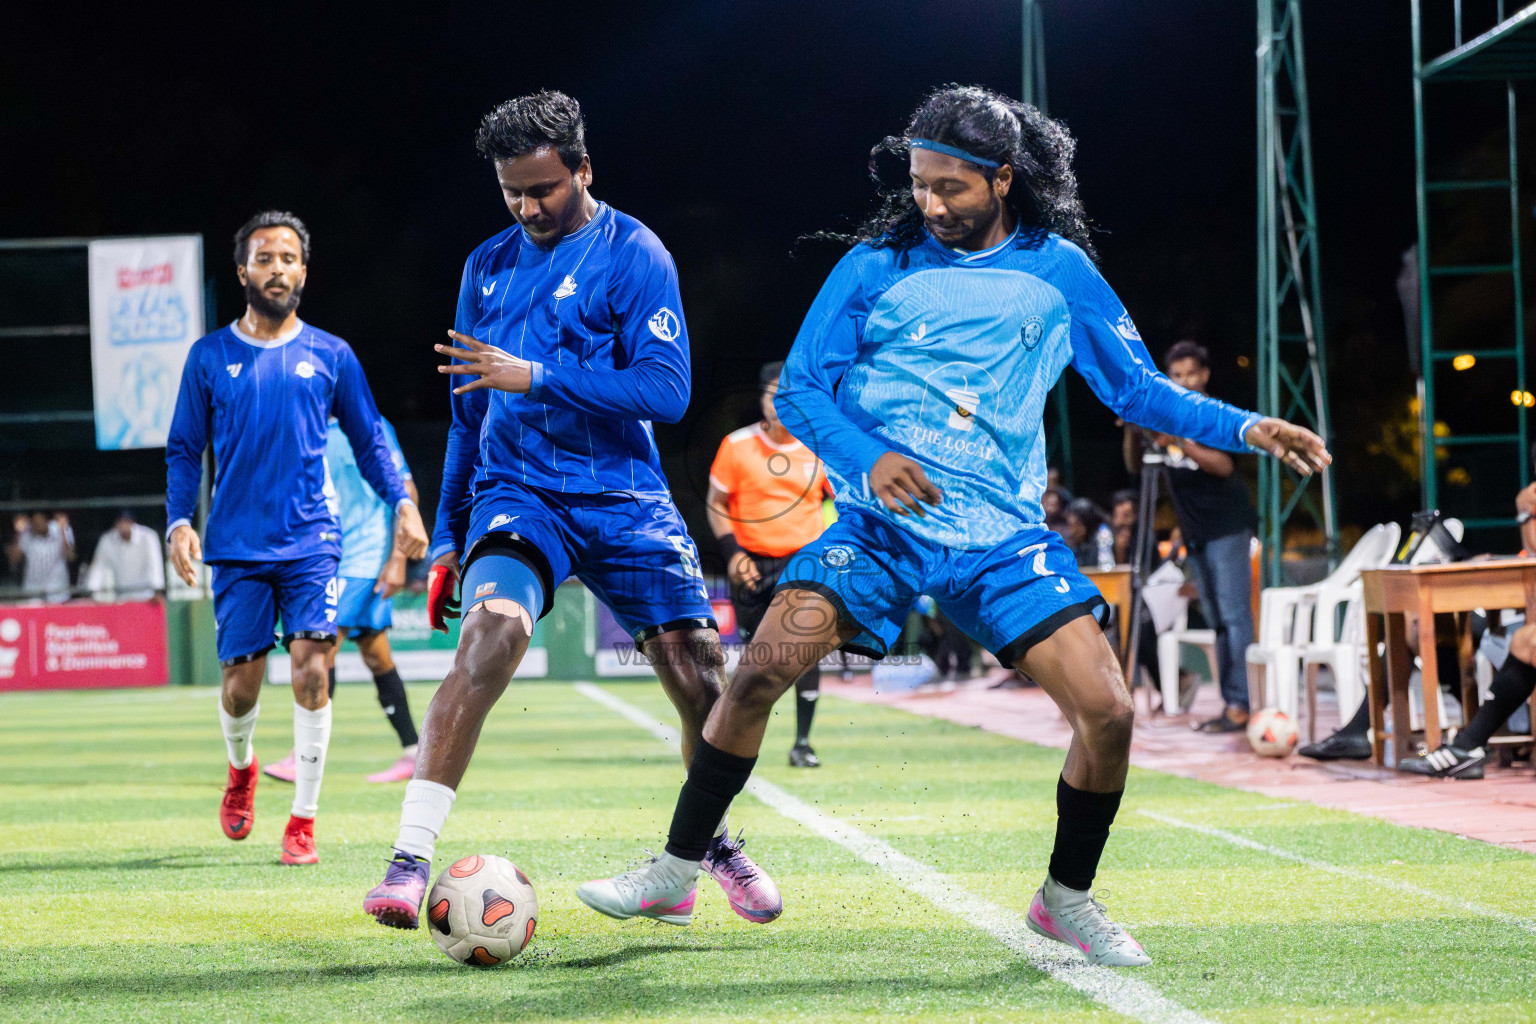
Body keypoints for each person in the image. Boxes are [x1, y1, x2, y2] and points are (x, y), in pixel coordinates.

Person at [577, 84, 1329, 965]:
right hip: (876, 529)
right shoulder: (871, 266)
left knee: (1110, 712)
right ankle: (675, 870)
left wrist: (1247, 426)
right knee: (754, 680)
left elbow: (1137, 392)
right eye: (919, 183)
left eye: (951, 187)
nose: (930, 203)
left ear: (1003, 179)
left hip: (1002, 540)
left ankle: (1065, 898)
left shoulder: (1059, 275)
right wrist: (870, 461)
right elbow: (807, 391)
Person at [362, 91, 777, 930]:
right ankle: (408, 861)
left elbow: (667, 391)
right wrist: (447, 540)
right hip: (521, 494)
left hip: (625, 498)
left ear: (583, 169)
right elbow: (467, 415)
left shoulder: (638, 254)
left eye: (542, 189)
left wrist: (538, 375)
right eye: (511, 191)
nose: (526, 207)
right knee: (490, 635)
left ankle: (711, 849)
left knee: (702, 679)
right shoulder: (486, 266)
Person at [166, 211, 427, 866]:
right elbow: (183, 450)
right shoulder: (208, 357)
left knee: (314, 665)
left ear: (303, 271)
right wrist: (177, 522)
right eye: (263, 257)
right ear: (242, 273)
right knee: (241, 687)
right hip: (235, 544)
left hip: (313, 540)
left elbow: (370, 441)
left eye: (287, 257)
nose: (276, 267)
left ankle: (303, 821)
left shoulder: (332, 356)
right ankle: (241, 768)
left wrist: (402, 501)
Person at [264, 415, 424, 785]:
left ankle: (304, 755)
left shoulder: (371, 426)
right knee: (375, 653)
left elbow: (406, 491)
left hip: (364, 559)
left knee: (318, 648)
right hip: (330, 557)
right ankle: (414, 752)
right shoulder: (306, 427)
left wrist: (398, 559)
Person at [707, 360, 835, 767]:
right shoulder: (736, 445)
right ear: (762, 398)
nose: (780, 402)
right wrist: (733, 554)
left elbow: (842, 503)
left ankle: (803, 743)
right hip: (752, 565)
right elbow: (716, 503)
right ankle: (736, 742)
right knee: (755, 662)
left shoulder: (820, 447)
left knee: (808, 651)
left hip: (804, 563)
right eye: (772, 393)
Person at [1140, 341, 1259, 734]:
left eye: (1191, 373)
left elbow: (1224, 465)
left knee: (1234, 617)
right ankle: (1231, 703)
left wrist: (1178, 440)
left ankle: (1242, 703)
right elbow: (1135, 463)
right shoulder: (1170, 417)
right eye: (1176, 375)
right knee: (1216, 620)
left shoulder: (1212, 416)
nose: (1184, 381)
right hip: (1197, 533)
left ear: (1204, 375)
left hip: (1227, 527)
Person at [86, 510, 165, 602]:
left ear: (132, 522)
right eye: (121, 522)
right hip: (121, 598)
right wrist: (91, 593)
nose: (124, 525)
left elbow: (155, 565)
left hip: (146, 597)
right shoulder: (107, 540)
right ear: (116, 524)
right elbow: (98, 568)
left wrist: (157, 590)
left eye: (127, 521)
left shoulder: (148, 537)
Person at [8, 512, 75, 602]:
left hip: (57, 588)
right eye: (34, 523)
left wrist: (63, 531)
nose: (38, 525)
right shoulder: (26, 533)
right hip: (33, 589)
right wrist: (19, 532)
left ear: (47, 521)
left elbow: (70, 556)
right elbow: (14, 558)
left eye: (40, 522)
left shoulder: (60, 529)